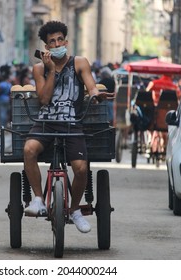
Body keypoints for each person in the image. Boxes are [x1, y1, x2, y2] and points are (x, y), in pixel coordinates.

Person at [23, 20, 114, 233]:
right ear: (46, 48)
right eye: (51, 42)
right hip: (45, 123)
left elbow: (91, 87)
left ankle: (74, 210)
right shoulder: (39, 69)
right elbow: (44, 100)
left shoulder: (80, 62)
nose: (56, 44)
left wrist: (96, 95)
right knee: (28, 150)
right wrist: (51, 70)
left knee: (81, 168)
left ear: (66, 41)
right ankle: (38, 199)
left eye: (59, 40)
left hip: (72, 123)